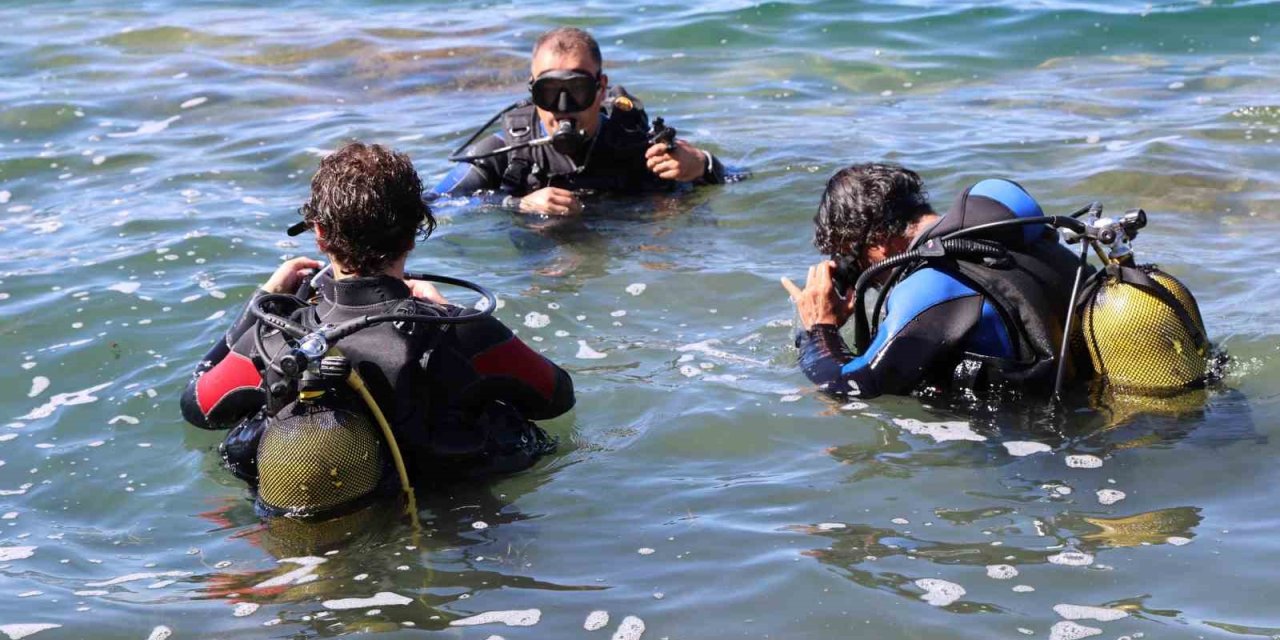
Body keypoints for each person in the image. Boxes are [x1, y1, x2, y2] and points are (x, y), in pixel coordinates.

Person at [181, 142, 575, 516]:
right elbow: (556, 396)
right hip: (444, 519)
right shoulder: (463, 332)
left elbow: (198, 407)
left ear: (319, 234)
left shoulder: (273, 336)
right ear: (415, 231)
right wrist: (450, 311)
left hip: (327, 525)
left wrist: (260, 304)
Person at [781, 163, 1083, 399]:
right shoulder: (1004, 232)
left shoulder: (935, 285)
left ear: (877, 242)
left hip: (1039, 445)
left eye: (852, 258)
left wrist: (819, 332)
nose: (863, 277)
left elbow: (854, 386)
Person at [431, 26, 726, 215]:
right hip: (543, 276)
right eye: (548, 92)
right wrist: (516, 204)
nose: (562, 108)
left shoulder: (639, 145)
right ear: (532, 91)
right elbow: (433, 202)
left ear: (601, 88)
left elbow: (740, 178)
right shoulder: (504, 152)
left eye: (577, 91)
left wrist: (702, 164)